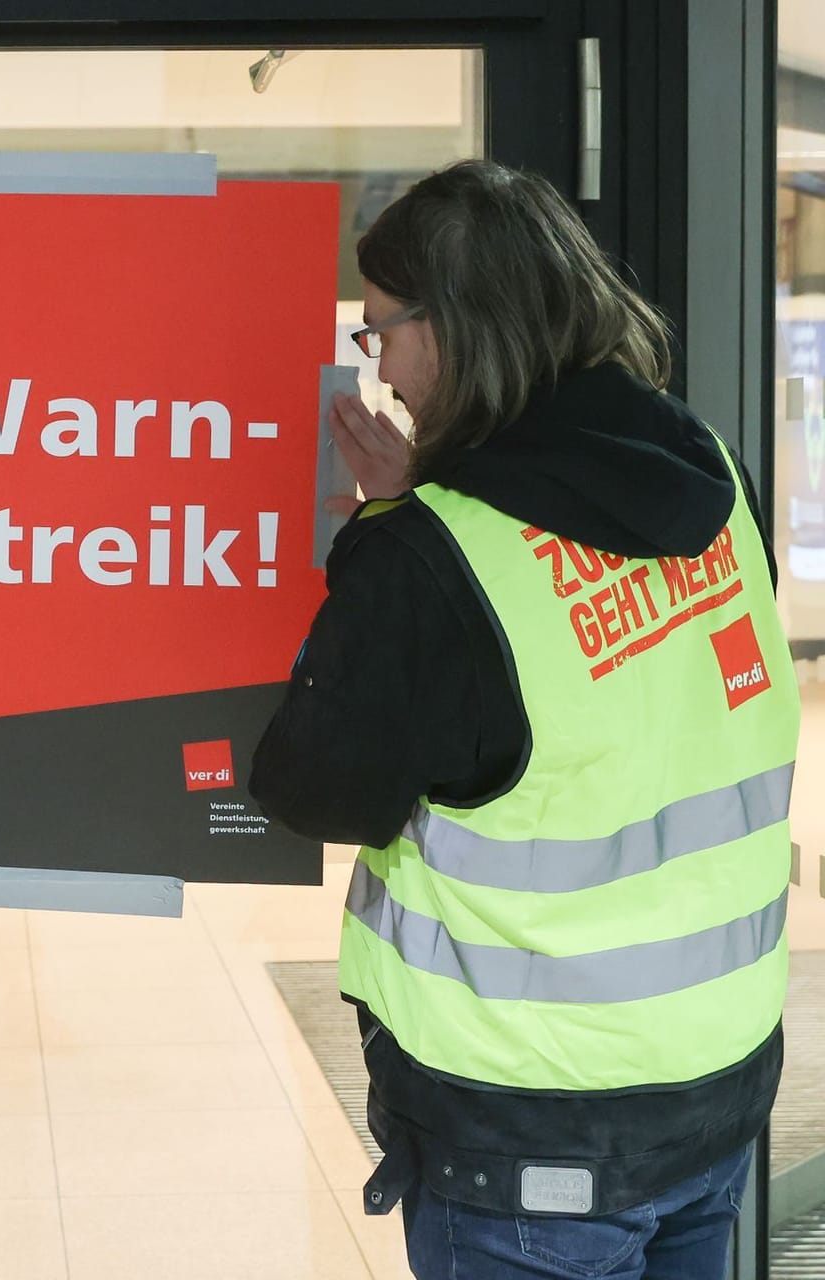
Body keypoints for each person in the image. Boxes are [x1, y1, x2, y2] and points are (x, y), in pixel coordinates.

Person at [250, 159, 799, 1280]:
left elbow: (315, 787)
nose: (380, 369)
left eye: (380, 334)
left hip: (530, 1135)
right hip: (719, 1085)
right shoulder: (712, 473)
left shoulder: (434, 557)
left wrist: (390, 543)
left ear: (448, 330)